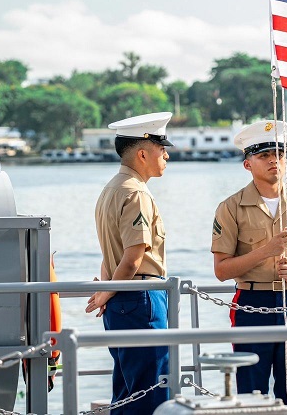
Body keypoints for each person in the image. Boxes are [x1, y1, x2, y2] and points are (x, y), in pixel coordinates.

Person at [211, 120, 287, 408]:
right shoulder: (230, 208)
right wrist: (265, 252)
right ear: (247, 164)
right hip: (252, 304)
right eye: (263, 155)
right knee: (251, 393)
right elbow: (221, 271)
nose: (273, 160)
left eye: (279, 154)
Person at [84, 111, 173, 414]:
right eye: (163, 150)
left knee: (127, 391)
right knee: (152, 391)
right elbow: (133, 257)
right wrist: (108, 291)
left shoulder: (110, 189)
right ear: (143, 153)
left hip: (121, 300)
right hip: (140, 298)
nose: (166, 158)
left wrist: (108, 290)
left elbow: (110, 254)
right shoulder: (136, 193)